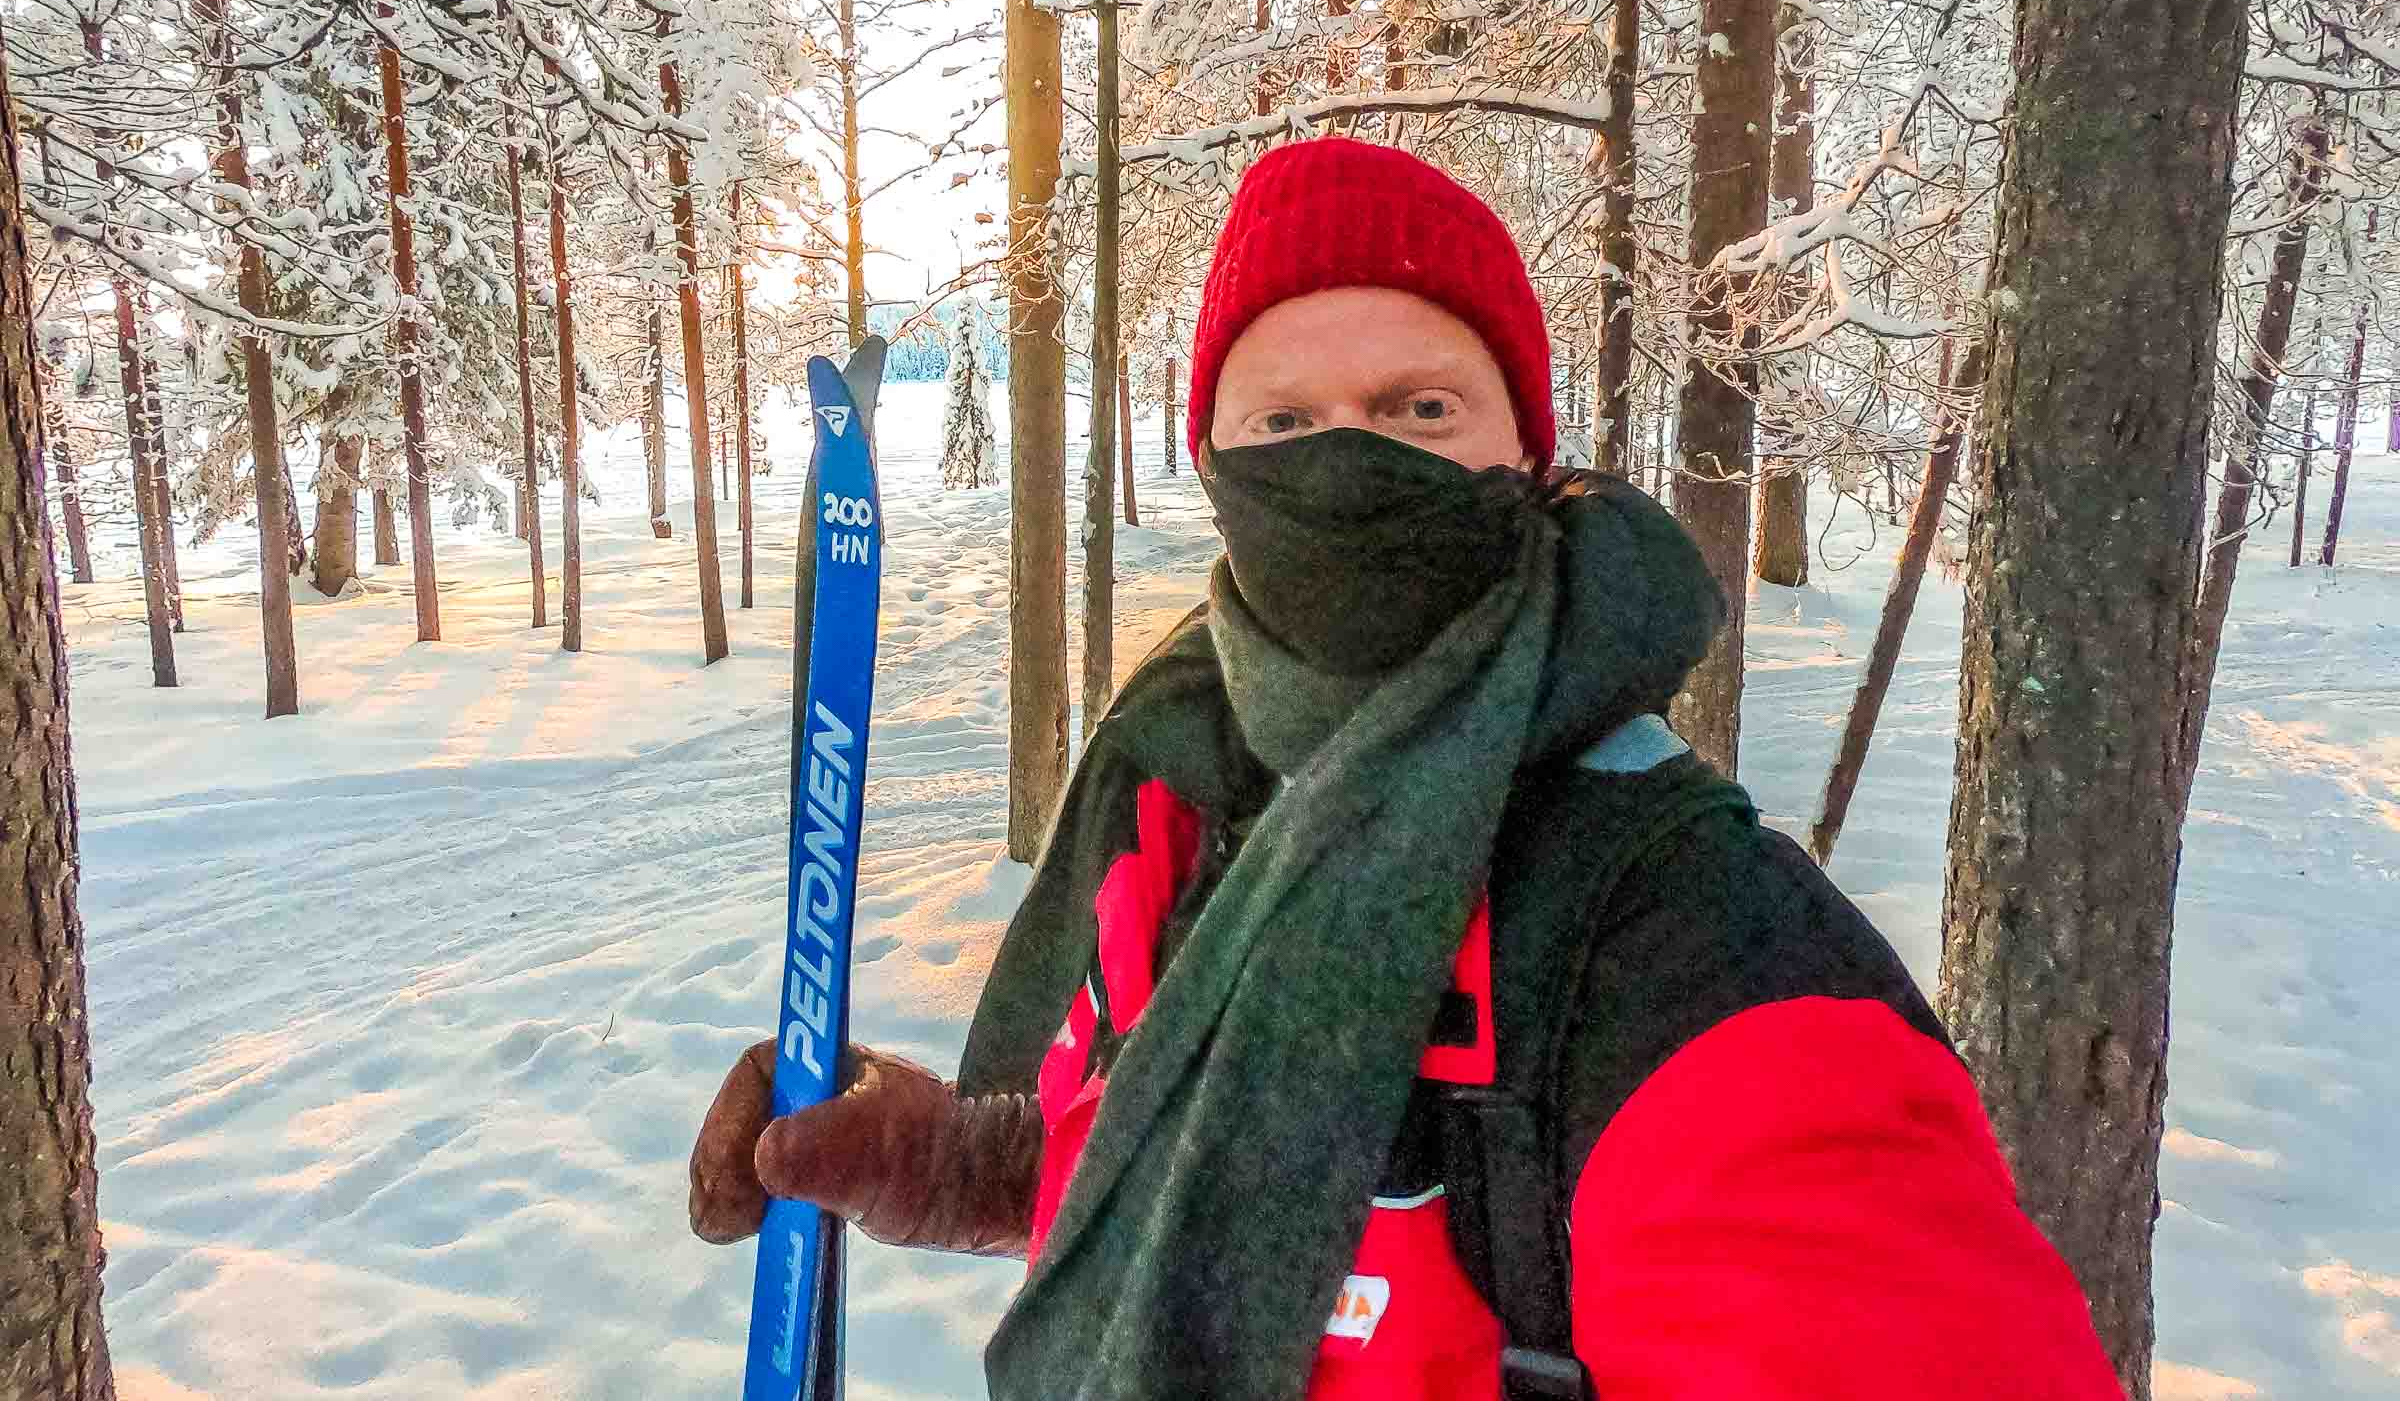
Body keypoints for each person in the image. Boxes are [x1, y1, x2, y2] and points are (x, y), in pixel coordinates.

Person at [689, 137, 2122, 1400]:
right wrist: (950, 1161)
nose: (1345, 466)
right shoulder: (1187, 794)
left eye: (1420, 410)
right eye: (1285, 424)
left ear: (1530, 458)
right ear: (1215, 459)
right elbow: (1190, 1163)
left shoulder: (1694, 950)